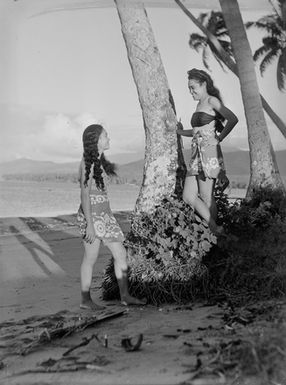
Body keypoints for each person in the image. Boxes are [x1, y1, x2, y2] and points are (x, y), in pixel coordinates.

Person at [77, 124, 146, 310]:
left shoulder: (99, 162)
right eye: (106, 136)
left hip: (105, 216)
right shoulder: (87, 163)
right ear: (96, 140)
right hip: (91, 216)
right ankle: (85, 300)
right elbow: (84, 195)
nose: (109, 139)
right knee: (90, 258)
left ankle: (125, 296)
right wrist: (90, 226)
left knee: (120, 254)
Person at [177, 68, 238, 235]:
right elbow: (196, 131)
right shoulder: (198, 105)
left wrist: (219, 138)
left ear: (203, 84)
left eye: (192, 87)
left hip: (209, 153)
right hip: (196, 154)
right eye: (189, 88)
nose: (191, 91)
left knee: (206, 197)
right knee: (188, 196)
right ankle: (214, 228)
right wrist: (179, 132)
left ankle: (212, 234)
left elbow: (233, 119)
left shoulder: (212, 101)